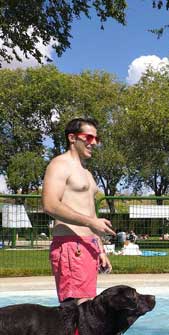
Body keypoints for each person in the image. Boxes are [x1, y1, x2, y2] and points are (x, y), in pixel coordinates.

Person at [42, 118, 115, 304]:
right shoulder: (60, 165)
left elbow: (91, 213)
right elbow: (50, 204)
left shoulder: (87, 174)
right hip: (70, 246)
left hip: (87, 245)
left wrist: (99, 249)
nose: (93, 143)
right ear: (72, 138)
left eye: (96, 139)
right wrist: (91, 223)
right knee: (76, 310)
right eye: (88, 137)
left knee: (86, 308)